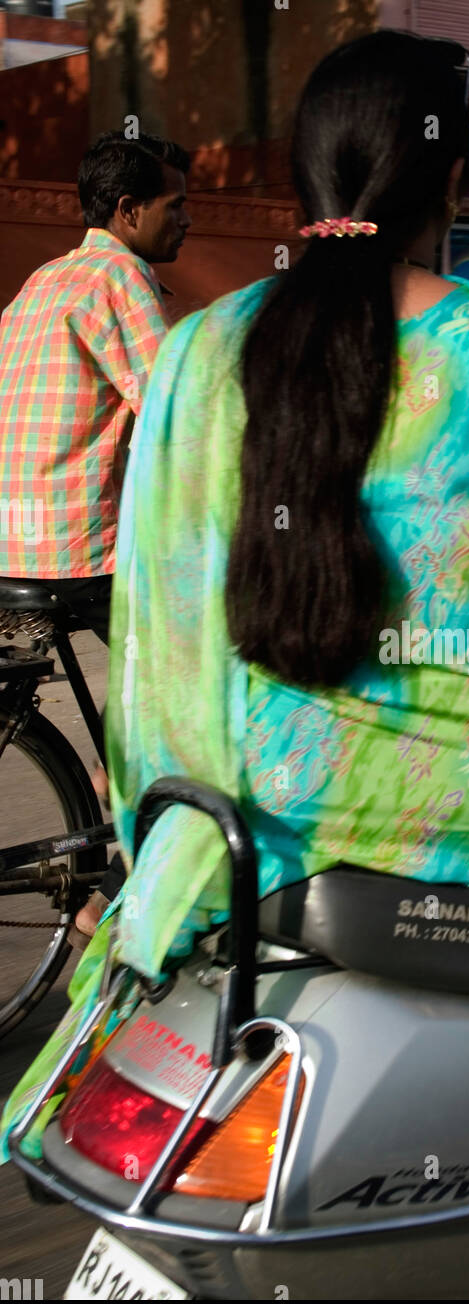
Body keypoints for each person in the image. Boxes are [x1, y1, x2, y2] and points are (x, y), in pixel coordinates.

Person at [1, 30, 469, 1159]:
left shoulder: (198, 353)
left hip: (246, 814)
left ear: (304, 177)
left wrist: (160, 834)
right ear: (452, 178)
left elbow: (165, 614)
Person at [0, 129, 191, 937]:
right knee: (186, 681)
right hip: (78, 551)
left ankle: (110, 828)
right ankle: (125, 879)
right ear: (129, 210)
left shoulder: (45, 278)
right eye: (176, 207)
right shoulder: (121, 279)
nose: (187, 222)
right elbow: (177, 412)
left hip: (11, 542)